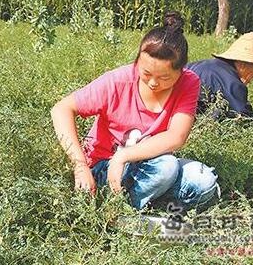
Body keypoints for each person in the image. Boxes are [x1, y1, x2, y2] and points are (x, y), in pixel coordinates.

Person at [51, 12, 219, 211]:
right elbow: (61, 109)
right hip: (105, 167)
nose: (154, 83)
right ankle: (118, 211)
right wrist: (80, 165)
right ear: (137, 61)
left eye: (165, 78)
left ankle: (143, 202)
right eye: (146, 73)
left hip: (146, 165)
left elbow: (176, 136)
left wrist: (122, 156)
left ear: (181, 71)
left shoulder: (189, 82)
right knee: (166, 167)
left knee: (203, 181)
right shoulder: (117, 81)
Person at [186, 32, 253, 122]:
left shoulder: (198, 65)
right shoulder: (233, 83)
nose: (251, 81)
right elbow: (241, 120)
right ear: (242, 65)